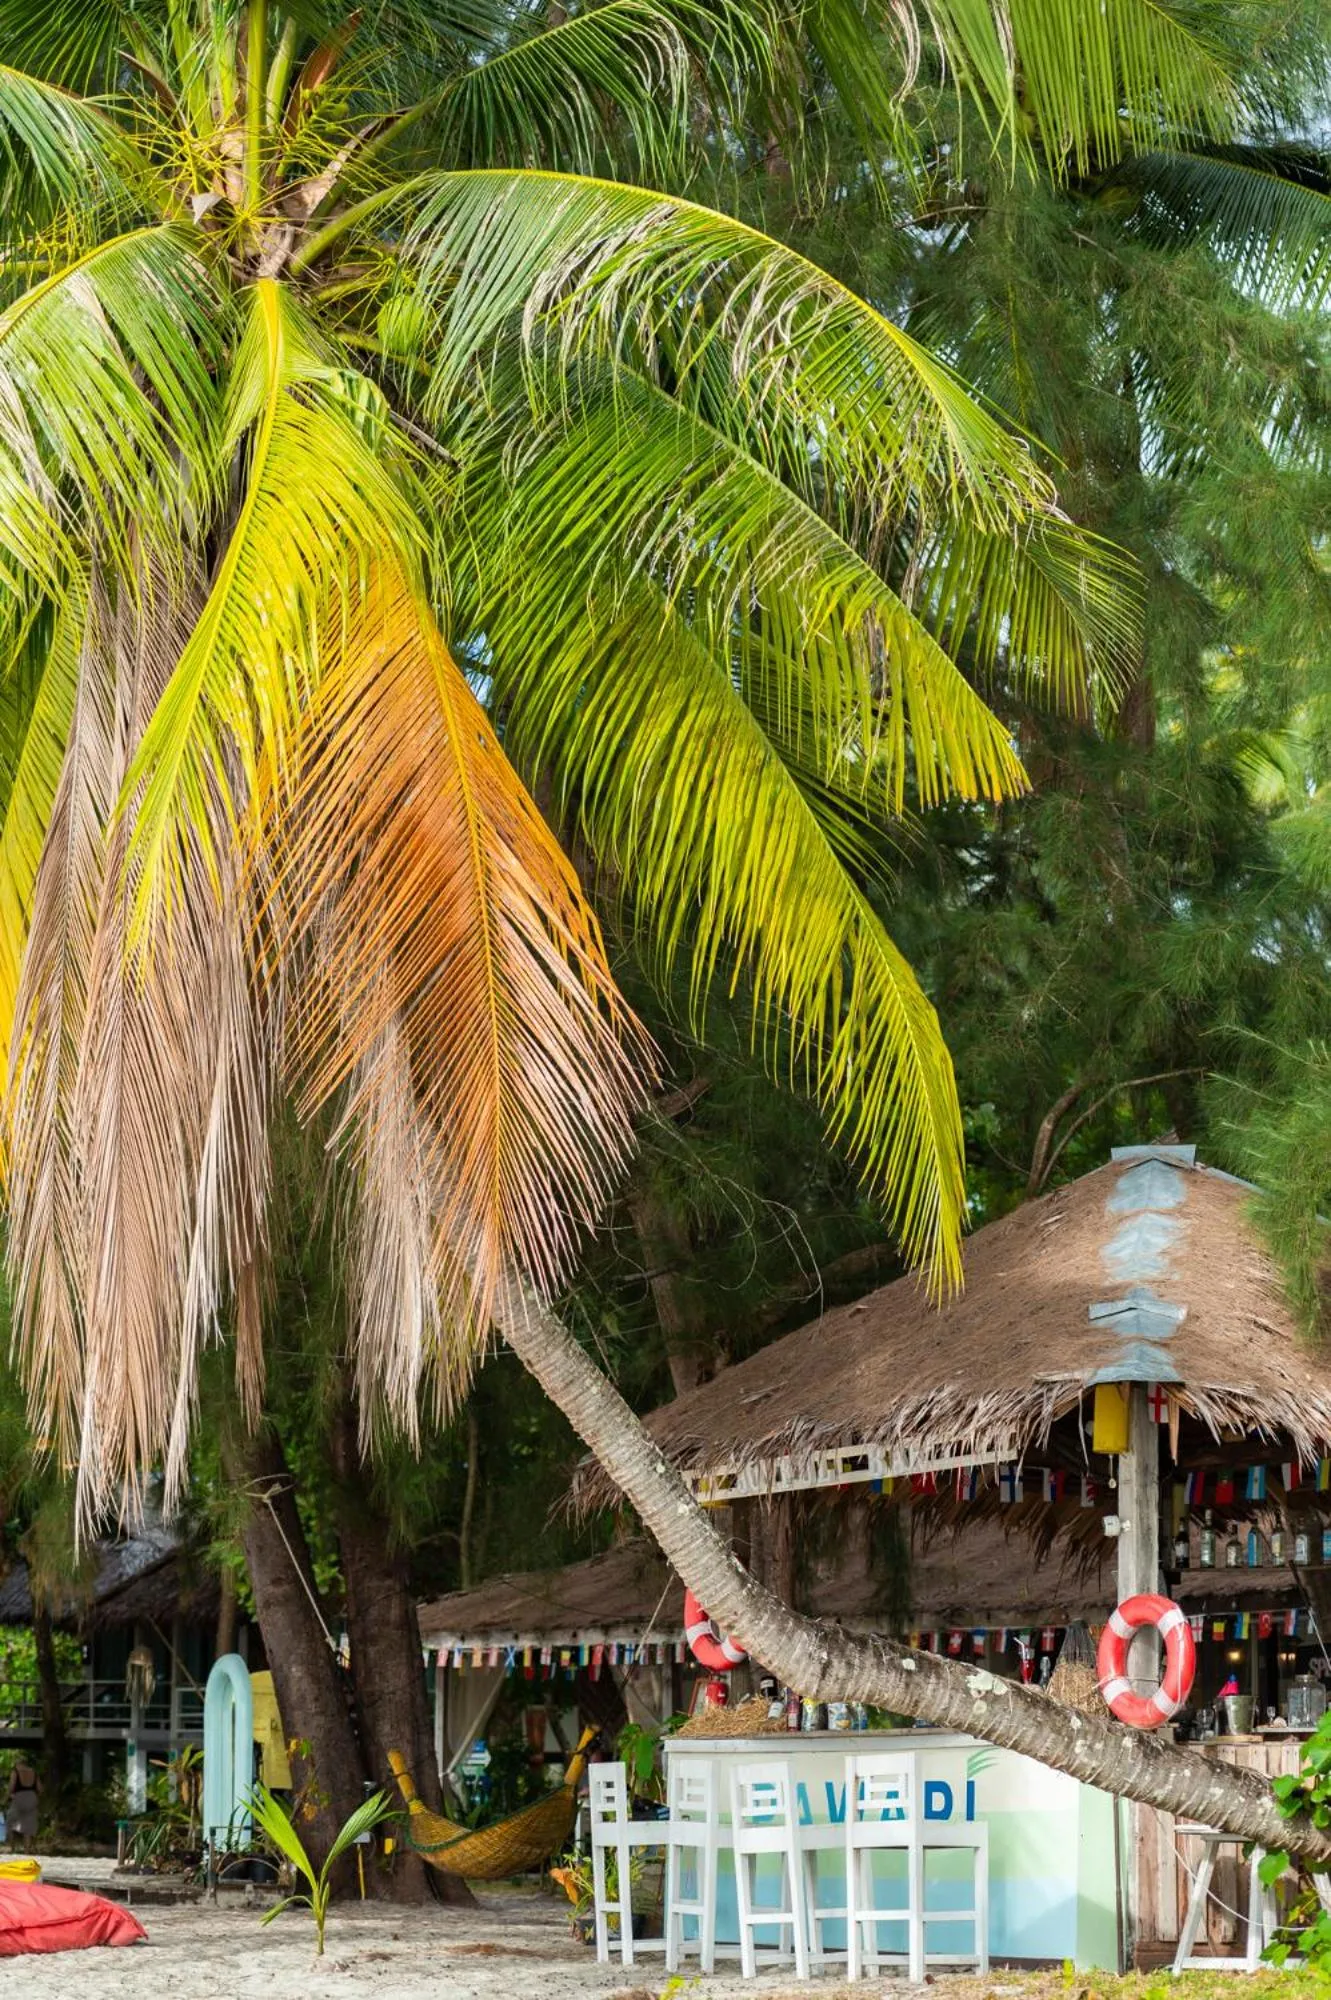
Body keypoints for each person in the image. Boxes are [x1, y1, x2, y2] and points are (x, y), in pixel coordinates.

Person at [7, 1760, 40, 1849]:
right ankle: (27, 1850)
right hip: (32, 1797)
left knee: (10, 1821)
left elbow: (11, 1786)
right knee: (28, 1825)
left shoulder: (15, 1772)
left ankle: (12, 1848)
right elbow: (40, 1788)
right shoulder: (34, 1772)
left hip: (19, 1797)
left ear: (18, 1764)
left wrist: (8, 1795)